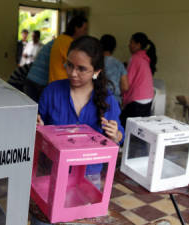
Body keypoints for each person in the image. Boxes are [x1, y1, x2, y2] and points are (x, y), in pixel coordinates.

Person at [37, 36, 125, 188]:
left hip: (88, 174)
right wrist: (38, 125)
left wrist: (115, 134)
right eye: (70, 65)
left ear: (96, 71)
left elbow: (120, 136)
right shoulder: (52, 91)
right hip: (53, 170)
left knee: (83, 210)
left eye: (81, 69)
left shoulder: (107, 100)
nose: (73, 73)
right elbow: (39, 125)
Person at [120, 32, 157, 128]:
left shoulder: (135, 58)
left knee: (125, 126)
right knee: (141, 129)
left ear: (138, 45)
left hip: (137, 100)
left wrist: (122, 98)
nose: (129, 45)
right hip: (148, 99)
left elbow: (127, 84)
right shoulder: (145, 58)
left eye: (131, 42)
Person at [48, 15, 88, 83]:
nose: (86, 32)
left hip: (55, 82)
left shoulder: (60, 38)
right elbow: (75, 64)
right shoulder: (68, 42)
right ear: (76, 28)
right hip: (61, 83)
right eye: (84, 29)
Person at [100, 34, 127, 106]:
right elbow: (125, 87)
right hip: (115, 100)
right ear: (114, 48)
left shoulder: (95, 62)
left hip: (97, 99)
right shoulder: (119, 64)